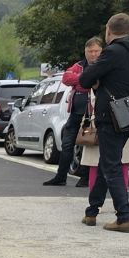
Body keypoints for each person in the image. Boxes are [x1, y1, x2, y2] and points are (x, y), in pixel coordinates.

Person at [77, 12, 129, 233]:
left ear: (109, 30)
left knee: (111, 165)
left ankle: (124, 216)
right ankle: (92, 211)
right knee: (107, 161)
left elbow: (84, 79)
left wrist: (99, 83)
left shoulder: (113, 52)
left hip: (109, 115)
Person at [44, 36, 103, 187]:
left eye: (96, 51)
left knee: (88, 144)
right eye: (90, 51)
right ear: (85, 51)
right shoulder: (79, 65)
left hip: (92, 113)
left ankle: (84, 178)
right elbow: (66, 78)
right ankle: (61, 176)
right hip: (75, 112)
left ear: (101, 51)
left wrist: (81, 82)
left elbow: (97, 83)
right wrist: (85, 79)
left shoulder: (103, 65)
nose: (93, 54)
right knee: (67, 144)